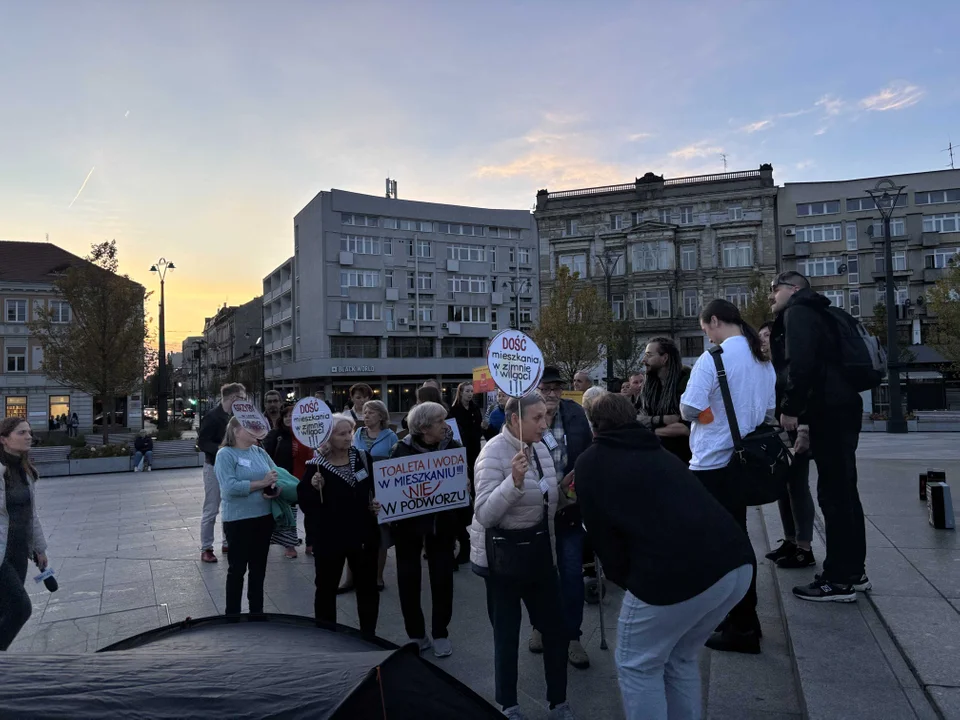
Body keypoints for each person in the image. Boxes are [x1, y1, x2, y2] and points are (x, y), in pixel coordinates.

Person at [577, 393, 754, 720]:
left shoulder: (591, 461)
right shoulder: (658, 452)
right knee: (679, 658)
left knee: (637, 664)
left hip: (674, 575)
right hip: (735, 565)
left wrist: (628, 580)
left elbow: (603, 538)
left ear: (594, 425)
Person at [679, 299, 776, 655]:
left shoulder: (714, 359)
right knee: (736, 539)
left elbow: (689, 407)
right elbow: (767, 411)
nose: (706, 337)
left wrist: (709, 420)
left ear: (715, 321)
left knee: (723, 547)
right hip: (745, 462)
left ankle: (742, 624)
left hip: (712, 464)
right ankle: (743, 617)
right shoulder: (763, 361)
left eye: (705, 330)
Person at [471, 392, 573, 720]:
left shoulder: (541, 448)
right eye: (537, 418)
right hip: (505, 561)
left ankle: (558, 701)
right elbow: (485, 514)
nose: (545, 424)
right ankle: (509, 705)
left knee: (555, 632)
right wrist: (513, 482)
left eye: (546, 416)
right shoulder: (492, 454)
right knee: (506, 634)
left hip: (541, 557)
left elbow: (547, 499)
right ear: (515, 420)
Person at [769, 271, 869, 602]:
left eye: (775, 289)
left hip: (829, 409)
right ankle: (854, 572)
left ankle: (838, 581)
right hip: (843, 407)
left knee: (833, 496)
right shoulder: (825, 312)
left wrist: (791, 408)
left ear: (794, 289)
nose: (771, 296)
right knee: (845, 493)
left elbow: (800, 364)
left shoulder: (797, 312)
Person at [526, 367, 592, 670]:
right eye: (546, 388)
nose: (551, 394)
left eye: (556, 388)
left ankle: (572, 634)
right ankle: (540, 625)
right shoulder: (525, 412)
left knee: (571, 572)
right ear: (536, 389)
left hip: (569, 509)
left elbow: (588, 453)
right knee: (539, 573)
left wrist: (575, 480)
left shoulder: (576, 413)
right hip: (536, 508)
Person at [389, 402, 462, 659]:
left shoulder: (452, 447)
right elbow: (391, 488)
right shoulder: (400, 450)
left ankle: (441, 632)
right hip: (407, 527)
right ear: (423, 427)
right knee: (408, 579)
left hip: (442, 526)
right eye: (440, 421)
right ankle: (417, 635)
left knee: (442, 578)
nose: (446, 425)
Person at [299, 414, 381, 636]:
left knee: (367, 589)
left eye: (350, 432)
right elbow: (305, 503)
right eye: (341, 433)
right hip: (329, 539)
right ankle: (327, 637)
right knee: (326, 590)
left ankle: (368, 634)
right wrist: (314, 489)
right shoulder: (316, 466)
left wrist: (376, 504)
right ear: (328, 437)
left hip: (363, 536)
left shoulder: (363, 458)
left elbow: (378, 488)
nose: (348, 438)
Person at [759, 320, 816, 571]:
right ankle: (791, 541)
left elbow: (805, 395)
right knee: (783, 487)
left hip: (795, 433)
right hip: (776, 435)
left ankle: (805, 548)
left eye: (768, 335)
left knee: (798, 486)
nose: (763, 339)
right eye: (760, 336)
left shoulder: (790, 365)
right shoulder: (767, 367)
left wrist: (804, 426)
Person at [214, 417, 278, 615]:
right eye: (248, 426)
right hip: (238, 520)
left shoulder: (259, 451)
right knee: (237, 569)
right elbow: (229, 488)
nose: (254, 429)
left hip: (263, 517)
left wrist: (273, 487)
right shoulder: (225, 454)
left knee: (259, 569)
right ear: (235, 430)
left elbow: (275, 474)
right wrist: (261, 483)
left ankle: (256, 612)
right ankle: (232, 613)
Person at [0, 418, 48, 651]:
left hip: (19, 552)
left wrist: (39, 547)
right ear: (4, 439)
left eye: (29, 432)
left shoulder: (25, 470)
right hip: (1, 554)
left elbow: (31, 513)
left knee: (4, 610)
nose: (29, 436)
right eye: (21, 432)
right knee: (20, 608)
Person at [197, 382, 246, 563]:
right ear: (233, 398)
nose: (244, 402)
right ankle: (206, 548)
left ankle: (228, 542)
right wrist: (222, 451)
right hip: (214, 467)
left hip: (232, 467)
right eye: (242, 398)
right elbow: (202, 442)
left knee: (230, 505)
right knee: (211, 508)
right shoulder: (212, 416)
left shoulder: (236, 416)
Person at [353, 399, 398, 590]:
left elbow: (396, 464)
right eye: (364, 412)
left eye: (371, 412)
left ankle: (378, 576)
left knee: (381, 534)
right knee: (355, 533)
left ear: (381, 415)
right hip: (359, 488)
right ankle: (351, 577)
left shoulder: (390, 436)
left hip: (382, 489)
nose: (366, 415)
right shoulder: (357, 433)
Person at [636, 338, 692, 463]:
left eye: (649, 355)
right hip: (652, 455)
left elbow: (684, 428)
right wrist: (662, 420)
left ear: (664, 358)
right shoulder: (649, 385)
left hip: (680, 457)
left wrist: (649, 430)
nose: (644, 360)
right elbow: (636, 417)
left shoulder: (686, 382)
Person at [448, 382, 484, 566]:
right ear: (460, 392)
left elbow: (479, 429)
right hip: (461, 454)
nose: (470, 394)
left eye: (472, 391)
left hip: (475, 452)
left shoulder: (475, 409)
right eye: (467, 391)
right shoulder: (453, 411)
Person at [263, 403, 303, 559]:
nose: (288, 418)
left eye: (292, 416)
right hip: (283, 480)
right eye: (286, 416)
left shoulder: (304, 434)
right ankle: (290, 545)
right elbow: (266, 455)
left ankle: (309, 542)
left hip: (302, 477)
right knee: (288, 511)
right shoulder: (275, 434)